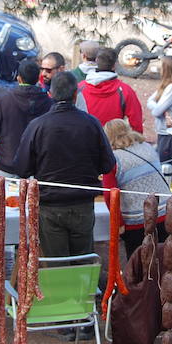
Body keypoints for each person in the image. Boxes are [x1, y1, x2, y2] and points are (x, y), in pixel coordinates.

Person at [13, 71, 115, 259]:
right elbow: (107, 164)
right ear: (76, 95)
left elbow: (21, 168)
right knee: (82, 261)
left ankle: (66, 288)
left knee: (57, 264)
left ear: (50, 94)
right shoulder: (91, 123)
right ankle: (81, 288)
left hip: (52, 206)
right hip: (80, 204)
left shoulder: (38, 125)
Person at [102, 119, 170, 257]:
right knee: (164, 260)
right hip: (166, 212)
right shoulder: (146, 146)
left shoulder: (113, 159)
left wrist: (119, 223)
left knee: (138, 265)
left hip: (138, 220)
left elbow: (110, 195)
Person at [0, 57, 52, 176]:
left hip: (8, 166)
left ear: (18, 78)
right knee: (33, 195)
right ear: (37, 79)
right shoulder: (49, 103)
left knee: (5, 195)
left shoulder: (4, 100)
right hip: (37, 167)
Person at [77, 47, 143, 133]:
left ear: (96, 62)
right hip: (114, 142)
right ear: (114, 66)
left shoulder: (79, 88)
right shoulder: (125, 91)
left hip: (86, 141)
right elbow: (136, 123)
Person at [147, 56, 172, 163]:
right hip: (164, 131)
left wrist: (159, 108)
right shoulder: (167, 86)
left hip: (169, 133)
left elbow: (156, 111)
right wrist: (162, 110)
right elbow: (149, 101)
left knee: (166, 165)